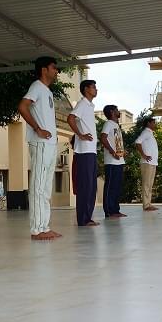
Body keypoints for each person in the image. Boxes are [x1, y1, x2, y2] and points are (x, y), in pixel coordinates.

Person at [18, 56, 62, 240]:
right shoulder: (36, 86)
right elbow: (22, 106)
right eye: (54, 68)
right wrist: (38, 129)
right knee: (38, 187)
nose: (56, 71)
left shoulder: (47, 91)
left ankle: (44, 226)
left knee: (45, 188)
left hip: (50, 145)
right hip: (41, 143)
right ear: (44, 69)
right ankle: (36, 229)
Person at [67, 80, 99, 227]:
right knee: (85, 186)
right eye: (93, 87)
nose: (96, 89)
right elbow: (70, 118)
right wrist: (80, 135)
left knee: (91, 187)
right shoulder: (82, 104)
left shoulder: (90, 106)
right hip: (84, 152)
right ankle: (83, 219)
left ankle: (88, 217)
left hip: (91, 151)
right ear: (86, 89)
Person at [100, 104, 126, 218]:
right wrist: (112, 152)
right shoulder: (108, 124)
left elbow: (115, 141)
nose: (118, 111)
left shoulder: (116, 125)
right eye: (116, 110)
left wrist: (122, 152)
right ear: (111, 112)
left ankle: (115, 210)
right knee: (110, 186)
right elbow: (103, 138)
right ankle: (109, 211)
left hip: (119, 160)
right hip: (111, 161)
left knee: (117, 186)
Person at [134, 117, 159, 211]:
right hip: (147, 163)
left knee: (150, 184)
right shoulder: (146, 132)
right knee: (146, 184)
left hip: (152, 162)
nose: (155, 124)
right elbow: (137, 142)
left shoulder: (150, 133)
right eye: (153, 122)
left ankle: (148, 203)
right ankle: (146, 205)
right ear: (148, 123)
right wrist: (144, 155)